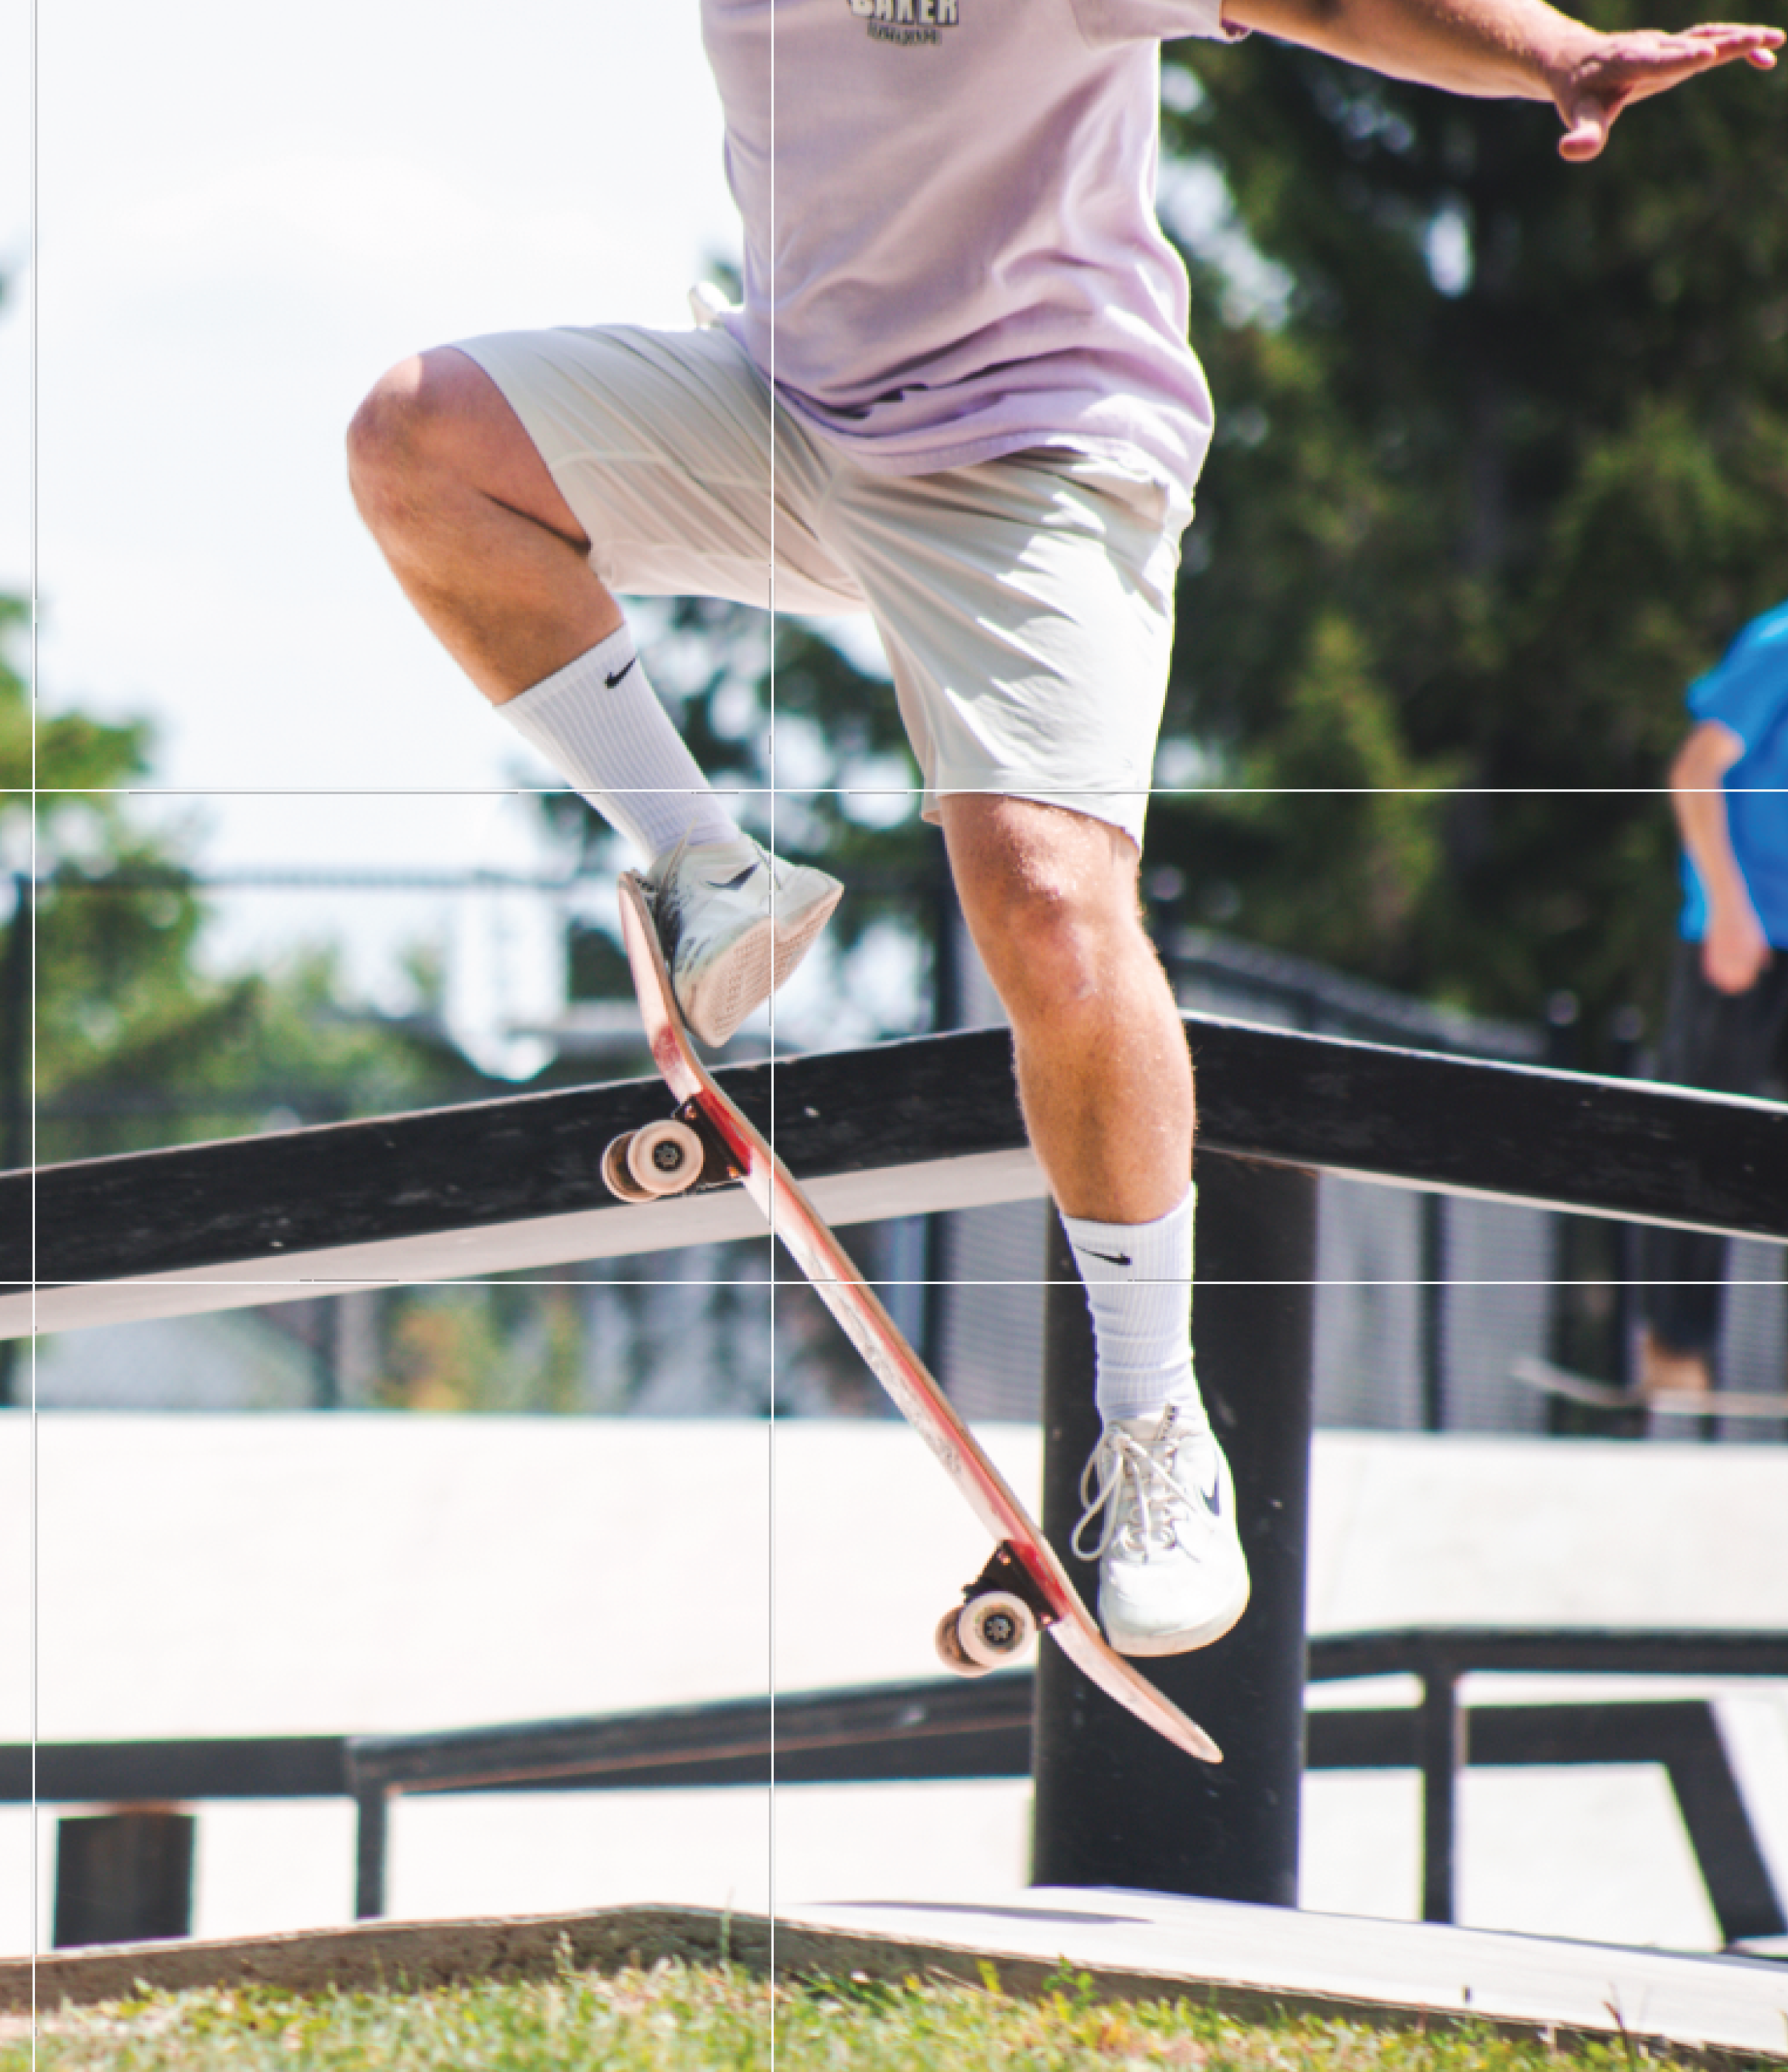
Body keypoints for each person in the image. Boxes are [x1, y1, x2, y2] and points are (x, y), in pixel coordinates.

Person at [347, 0, 1778, 1657]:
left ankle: (1159, 1428)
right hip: (789, 418)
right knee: (419, 442)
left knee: (1042, 899)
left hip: (1035, 462)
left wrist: (1553, 53)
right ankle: (712, 868)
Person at [1638, 600, 1788, 1397]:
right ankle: (1675, 1362)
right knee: (1704, 1145)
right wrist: (1729, 910)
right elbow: (1697, 770)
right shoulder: (1780, 644)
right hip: (1740, 942)